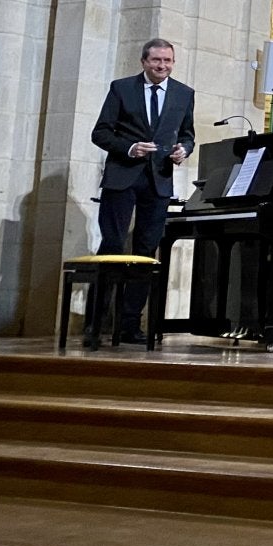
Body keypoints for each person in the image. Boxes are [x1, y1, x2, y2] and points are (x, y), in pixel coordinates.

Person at [89, 39, 195, 344]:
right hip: (122, 177)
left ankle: (129, 324)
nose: (162, 66)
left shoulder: (183, 93)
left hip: (158, 181)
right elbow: (101, 132)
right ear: (144, 62)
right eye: (157, 60)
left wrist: (183, 150)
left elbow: (188, 135)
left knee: (146, 253)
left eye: (168, 61)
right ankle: (96, 325)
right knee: (112, 246)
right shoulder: (121, 88)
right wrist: (130, 147)